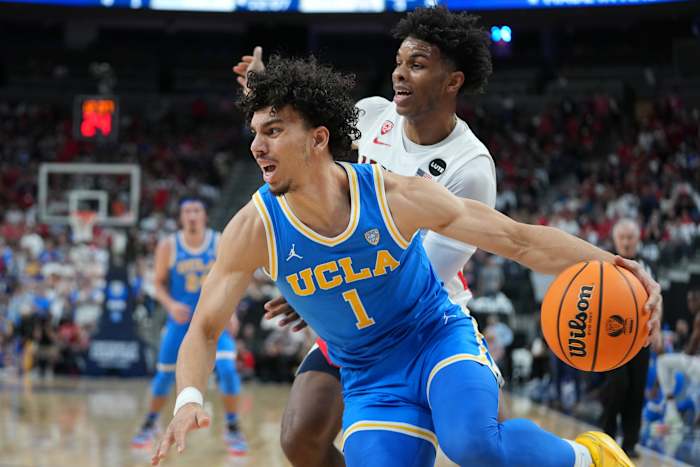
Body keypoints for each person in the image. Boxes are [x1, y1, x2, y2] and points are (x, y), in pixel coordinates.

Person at [152, 56, 662, 467]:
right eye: (255, 132)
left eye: (273, 131)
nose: (256, 146)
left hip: (435, 333)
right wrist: (189, 397)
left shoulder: (394, 195)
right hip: (367, 372)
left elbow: (518, 240)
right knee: (313, 444)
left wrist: (618, 263)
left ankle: (586, 456)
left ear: (319, 138)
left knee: (474, 445)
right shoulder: (253, 227)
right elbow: (204, 326)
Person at [233, 7, 498, 466]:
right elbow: (306, 143)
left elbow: (420, 273)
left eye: (416, 64)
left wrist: (318, 285)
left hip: (418, 313)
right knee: (300, 438)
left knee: (470, 444)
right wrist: (267, 91)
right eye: (398, 61)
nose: (398, 72)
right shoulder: (372, 116)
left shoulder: (470, 168)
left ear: (452, 81)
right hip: (352, 303)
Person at [131, 197, 247, 455]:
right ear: (181, 218)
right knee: (163, 377)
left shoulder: (218, 241)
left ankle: (233, 427)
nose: (192, 215)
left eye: (196, 210)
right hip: (180, 323)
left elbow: (233, 278)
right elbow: (158, 284)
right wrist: (170, 305)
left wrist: (232, 312)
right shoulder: (169, 245)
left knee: (228, 370)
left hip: (213, 320)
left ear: (204, 215)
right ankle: (149, 424)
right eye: (187, 211)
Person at [598, 218, 659, 458]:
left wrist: (657, 328)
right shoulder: (604, 262)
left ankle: (631, 443)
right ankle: (607, 435)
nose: (625, 242)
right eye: (621, 237)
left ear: (638, 239)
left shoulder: (649, 265)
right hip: (612, 336)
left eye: (630, 237)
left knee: (636, 389)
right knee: (618, 385)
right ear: (614, 239)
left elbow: (657, 297)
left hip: (641, 335)